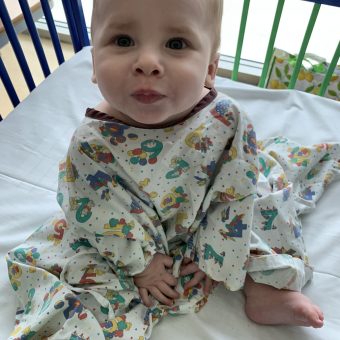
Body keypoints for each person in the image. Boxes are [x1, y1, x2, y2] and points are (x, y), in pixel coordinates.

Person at [7, 0, 340, 338]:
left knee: (268, 200)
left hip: (209, 213)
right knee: (88, 260)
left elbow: (235, 184)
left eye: (176, 44)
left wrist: (216, 251)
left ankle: (266, 289)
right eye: (123, 41)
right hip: (132, 229)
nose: (148, 62)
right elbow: (98, 211)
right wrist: (142, 265)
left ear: (210, 70)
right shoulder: (93, 143)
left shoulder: (225, 117)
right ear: (93, 63)